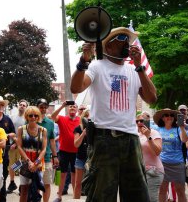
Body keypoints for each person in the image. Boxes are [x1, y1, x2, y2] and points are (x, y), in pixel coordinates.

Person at [70, 27, 157, 201]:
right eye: (121, 38)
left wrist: (140, 66)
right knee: (101, 196)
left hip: (131, 139)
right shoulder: (96, 66)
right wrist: (83, 61)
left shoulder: (134, 70)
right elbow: (76, 88)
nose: (127, 42)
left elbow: (152, 98)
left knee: (137, 195)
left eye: (128, 38)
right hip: (104, 138)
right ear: (108, 47)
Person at [154, 108, 188, 202]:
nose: (169, 117)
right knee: (162, 190)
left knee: (180, 191)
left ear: (174, 118)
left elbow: (184, 140)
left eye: (171, 115)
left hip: (177, 163)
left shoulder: (178, 129)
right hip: (162, 163)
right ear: (162, 118)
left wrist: (182, 127)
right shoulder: (157, 129)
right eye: (166, 115)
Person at [51, 102, 80, 202]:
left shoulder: (80, 120)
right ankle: (59, 196)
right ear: (68, 109)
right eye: (71, 106)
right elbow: (52, 116)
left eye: (74, 107)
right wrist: (63, 105)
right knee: (61, 174)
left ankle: (74, 197)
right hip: (63, 151)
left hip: (76, 151)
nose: (72, 108)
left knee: (74, 175)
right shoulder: (62, 118)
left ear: (77, 110)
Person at [17, 106, 47, 202]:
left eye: (36, 115)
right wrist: (29, 162)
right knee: (24, 190)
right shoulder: (21, 129)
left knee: (36, 189)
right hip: (25, 163)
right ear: (27, 117)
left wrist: (36, 162)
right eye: (30, 115)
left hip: (38, 163)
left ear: (38, 117)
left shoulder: (43, 130)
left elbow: (44, 149)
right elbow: (19, 147)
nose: (33, 117)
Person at [136, 113, 164, 202]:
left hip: (153, 171)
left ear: (147, 122)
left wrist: (148, 136)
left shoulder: (154, 133)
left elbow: (157, 151)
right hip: (140, 171)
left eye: (142, 121)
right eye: (137, 121)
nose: (139, 123)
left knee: (151, 199)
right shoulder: (136, 135)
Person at [36, 98, 59, 202]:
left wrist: (55, 156)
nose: (43, 109)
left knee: (46, 184)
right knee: (36, 184)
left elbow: (52, 141)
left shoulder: (50, 123)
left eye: (45, 107)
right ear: (37, 107)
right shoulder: (30, 120)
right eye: (41, 107)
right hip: (33, 158)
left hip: (46, 158)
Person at [7, 99, 28, 194]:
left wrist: (17, 143)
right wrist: (12, 143)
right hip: (12, 146)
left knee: (20, 165)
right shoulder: (12, 117)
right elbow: (10, 131)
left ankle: (21, 186)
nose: (22, 106)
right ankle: (12, 183)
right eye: (21, 104)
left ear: (26, 107)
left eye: (24, 105)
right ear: (18, 106)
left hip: (22, 146)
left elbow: (25, 134)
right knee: (11, 165)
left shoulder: (27, 119)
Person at [73, 109, 89, 199]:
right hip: (81, 158)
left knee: (92, 184)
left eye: (89, 116)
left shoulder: (95, 128)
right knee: (78, 183)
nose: (87, 118)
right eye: (86, 116)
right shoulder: (78, 128)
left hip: (91, 158)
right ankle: (76, 200)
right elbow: (76, 144)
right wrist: (83, 134)